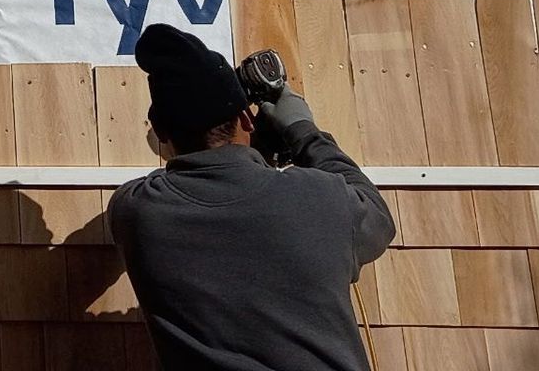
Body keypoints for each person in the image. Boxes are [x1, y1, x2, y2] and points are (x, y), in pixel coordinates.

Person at [107, 24, 395, 371]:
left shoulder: (138, 211)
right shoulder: (321, 196)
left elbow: (193, 180)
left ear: (162, 133)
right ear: (246, 117)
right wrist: (303, 131)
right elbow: (378, 218)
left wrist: (252, 151)